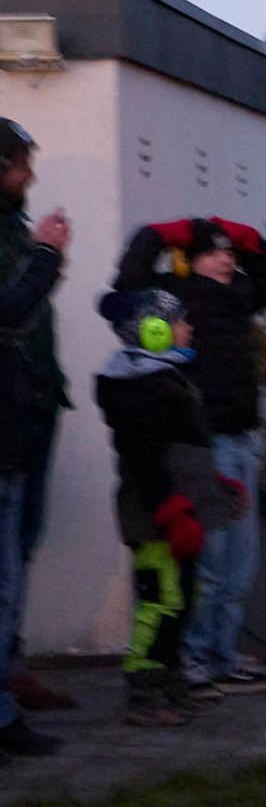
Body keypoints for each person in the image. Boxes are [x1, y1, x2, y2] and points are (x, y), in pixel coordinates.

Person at [115, 216, 266, 698]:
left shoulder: (237, 296)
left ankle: (222, 657)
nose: (228, 258)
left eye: (230, 252)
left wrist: (250, 237)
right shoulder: (171, 294)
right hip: (203, 446)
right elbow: (128, 278)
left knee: (239, 563)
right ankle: (189, 661)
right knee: (206, 561)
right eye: (215, 251)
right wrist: (159, 234)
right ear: (190, 259)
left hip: (243, 441)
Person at [96, 289, 245, 726]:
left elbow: (186, 453)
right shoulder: (140, 387)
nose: (189, 327)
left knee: (181, 600)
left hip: (181, 515)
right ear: (152, 330)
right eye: (179, 320)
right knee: (159, 602)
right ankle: (144, 688)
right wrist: (172, 511)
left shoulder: (169, 378)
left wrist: (216, 485)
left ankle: (170, 679)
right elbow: (147, 458)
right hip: (156, 518)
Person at [0, 120, 75, 716]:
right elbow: (9, 312)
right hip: (11, 411)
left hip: (33, 404)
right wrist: (47, 256)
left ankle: (12, 674)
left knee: (19, 547)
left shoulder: (13, 226)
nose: (31, 175)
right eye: (22, 164)